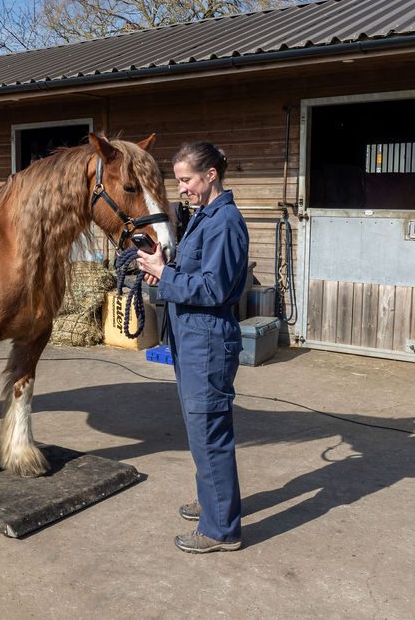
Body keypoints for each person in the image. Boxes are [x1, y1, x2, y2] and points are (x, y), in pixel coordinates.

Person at [137, 142, 249, 554]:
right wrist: (159, 265)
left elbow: (214, 288)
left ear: (211, 175)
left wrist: (165, 276)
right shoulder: (205, 217)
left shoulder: (224, 223)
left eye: (186, 180)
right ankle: (214, 504)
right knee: (199, 429)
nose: (181, 188)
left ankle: (221, 530)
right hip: (190, 336)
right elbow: (193, 272)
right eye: (179, 180)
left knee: (210, 431)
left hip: (207, 339)